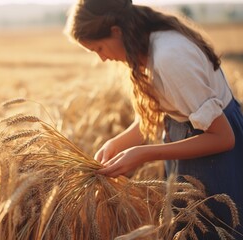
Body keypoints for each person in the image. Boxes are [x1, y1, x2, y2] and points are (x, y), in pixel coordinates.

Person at [64, 0, 243, 238]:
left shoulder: (170, 58)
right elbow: (166, 111)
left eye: (99, 48)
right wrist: (116, 143)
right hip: (190, 143)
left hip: (213, 156)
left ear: (116, 32)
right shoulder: (147, 44)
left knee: (215, 230)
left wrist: (144, 153)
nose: (103, 59)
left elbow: (223, 138)